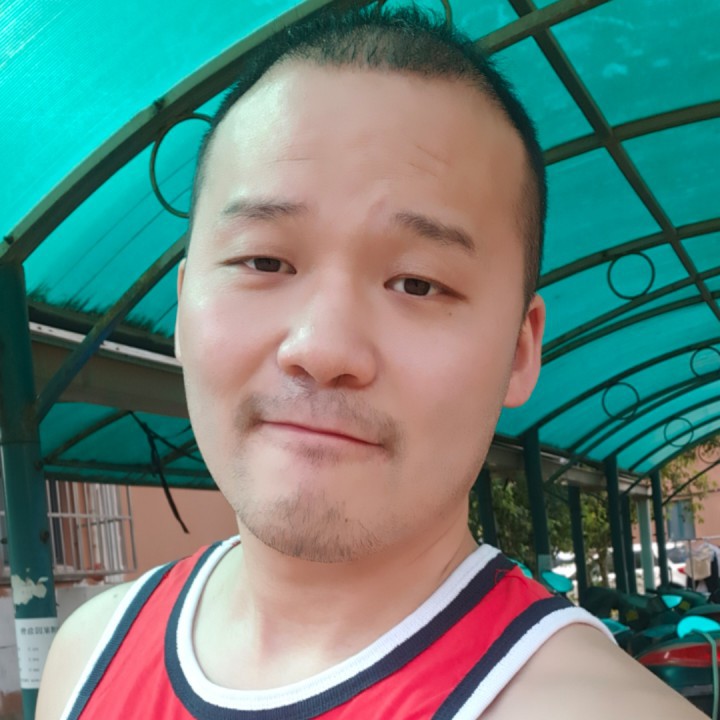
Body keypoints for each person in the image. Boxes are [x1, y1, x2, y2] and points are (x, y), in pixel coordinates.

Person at [37, 6, 704, 719]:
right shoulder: (86, 659)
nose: (321, 349)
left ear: (519, 350)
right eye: (264, 261)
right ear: (182, 308)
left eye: (417, 283)